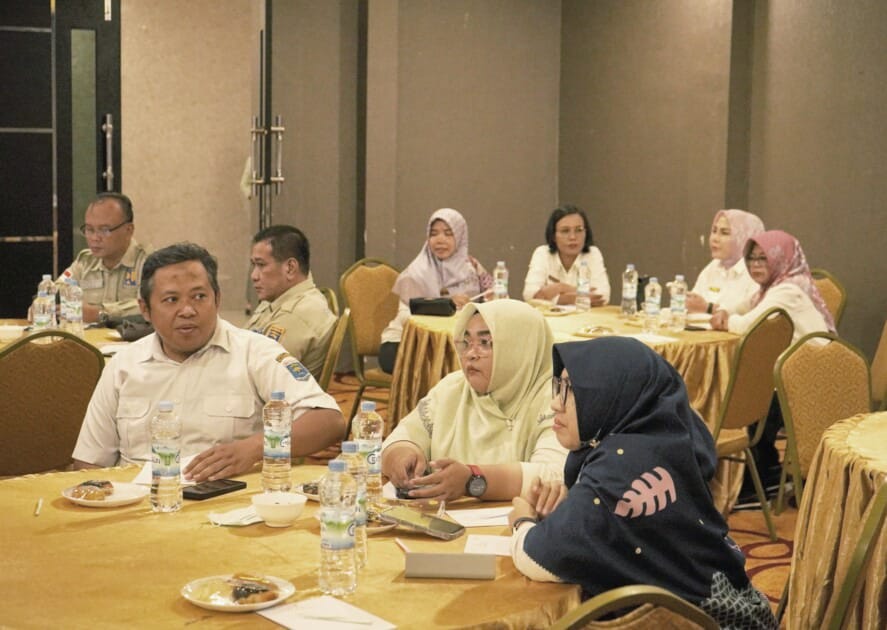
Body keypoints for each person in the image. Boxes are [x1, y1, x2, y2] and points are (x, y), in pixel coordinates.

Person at [508, 338, 778, 629]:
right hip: (736, 608)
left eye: (571, 390)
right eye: (558, 386)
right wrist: (572, 507)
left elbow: (540, 558)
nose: (554, 403)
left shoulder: (619, 469)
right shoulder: (661, 440)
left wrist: (522, 521)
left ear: (613, 394)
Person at [72, 242, 345, 482]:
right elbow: (89, 461)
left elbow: (329, 421)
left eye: (199, 297)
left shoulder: (255, 352)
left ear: (217, 299)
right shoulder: (123, 366)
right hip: (142, 503)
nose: (187, 310)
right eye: (171, 300)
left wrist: (253, 448)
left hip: (229, 504)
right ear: (145, 309)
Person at [380, 299, 567, 501]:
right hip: (446, 516)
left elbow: (554, 477)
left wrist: (472, 480)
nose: (470, 354)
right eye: (466, 343)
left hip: (517, 518)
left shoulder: (557, 399)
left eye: (485, 343)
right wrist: (401, 453)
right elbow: (405, 434)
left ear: (520, 348)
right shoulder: (453, 389)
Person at [379, 208, 493, 374]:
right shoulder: (416, 272)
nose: (440, 240)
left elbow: (493, 297)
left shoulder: (472, 268)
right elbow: (406, 316)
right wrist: (445, 304)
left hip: (457, 342)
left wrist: (486, 304)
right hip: (409, 342)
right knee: (436, 365)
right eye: (434, 234)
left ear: (460, 237)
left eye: (448, 234)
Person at [245, 225, 337, 379]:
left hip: (273, 392)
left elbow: (261, 372)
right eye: (253, 265)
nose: (254, 276)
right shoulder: (276, 300)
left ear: (290, 268)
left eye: (261, 265)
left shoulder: (298, 313)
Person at [710, 230, 835, 341]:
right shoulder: (770, 287)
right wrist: (725, 311)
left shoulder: (789, 290)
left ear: (781, 259)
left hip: (810, 359)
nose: (755, 264)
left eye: (763, 258)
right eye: (751, 258)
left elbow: (750, 326)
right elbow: (743, 306)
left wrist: (725, 321)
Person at [55, 192, 151, 323]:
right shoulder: (85, 261)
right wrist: (44, 304)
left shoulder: (148, 262)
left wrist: (101, 314)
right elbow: (58, 290)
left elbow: (151, 306)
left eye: (104, 230)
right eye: (89, 230)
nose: (95, 238)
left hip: (129, 336)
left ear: (128, 230)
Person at [522, 204, 610, 306]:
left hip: (585, 315)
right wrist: (578, 294)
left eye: (579, 230)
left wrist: (559, 290)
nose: (573, 237)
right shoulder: (542, 253)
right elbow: (530, 295)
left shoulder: (592, 254)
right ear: (553, 236)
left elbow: (603, 296)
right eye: (565, 231)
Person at [687, 209, 765, 315]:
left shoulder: (756, 272)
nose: (715, 238)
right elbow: (693, 305)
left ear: (743, 238)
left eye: (724, 233)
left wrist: (708, 308)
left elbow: (752, 316)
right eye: (714, 231)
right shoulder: (713, 266)